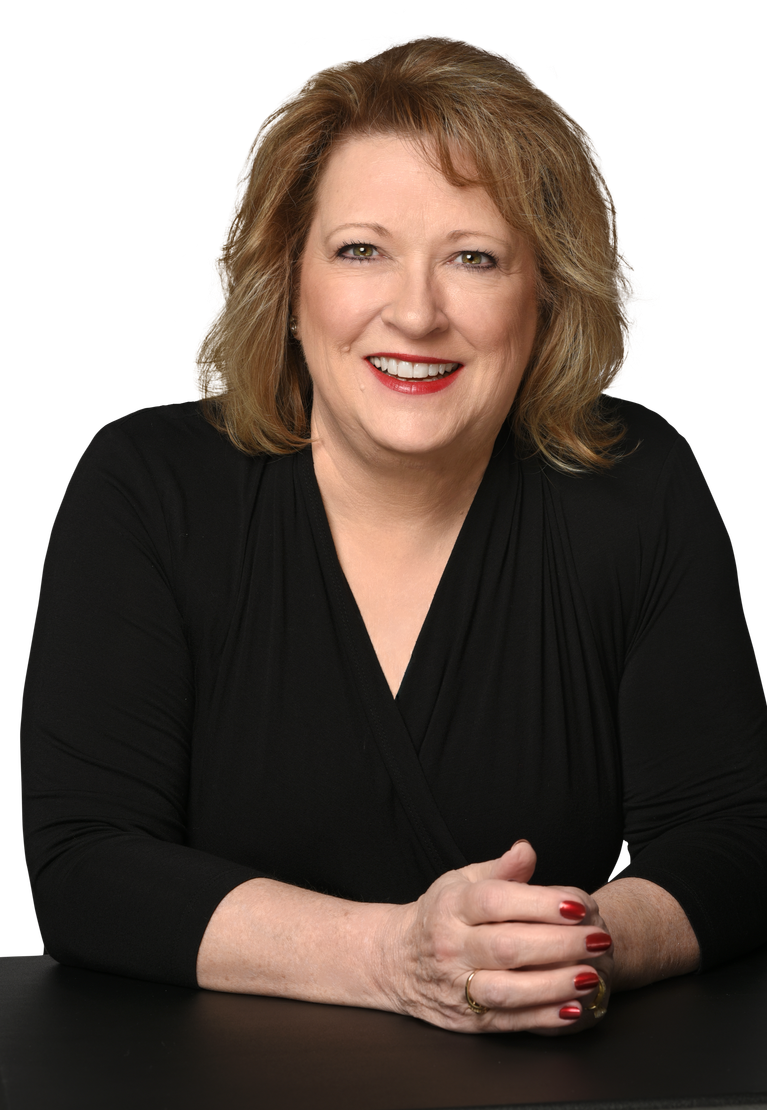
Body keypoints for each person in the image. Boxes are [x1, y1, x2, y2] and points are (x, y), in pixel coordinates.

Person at [20, 35, 767, 1037]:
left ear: (543, 296)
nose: (414, 313)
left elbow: (730, 839)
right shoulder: (147, 488)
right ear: (288, 280)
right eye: (360, 249)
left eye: (473, 257)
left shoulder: (639, 485)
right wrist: (391, 958)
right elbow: (83, 866)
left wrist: (573, 944)